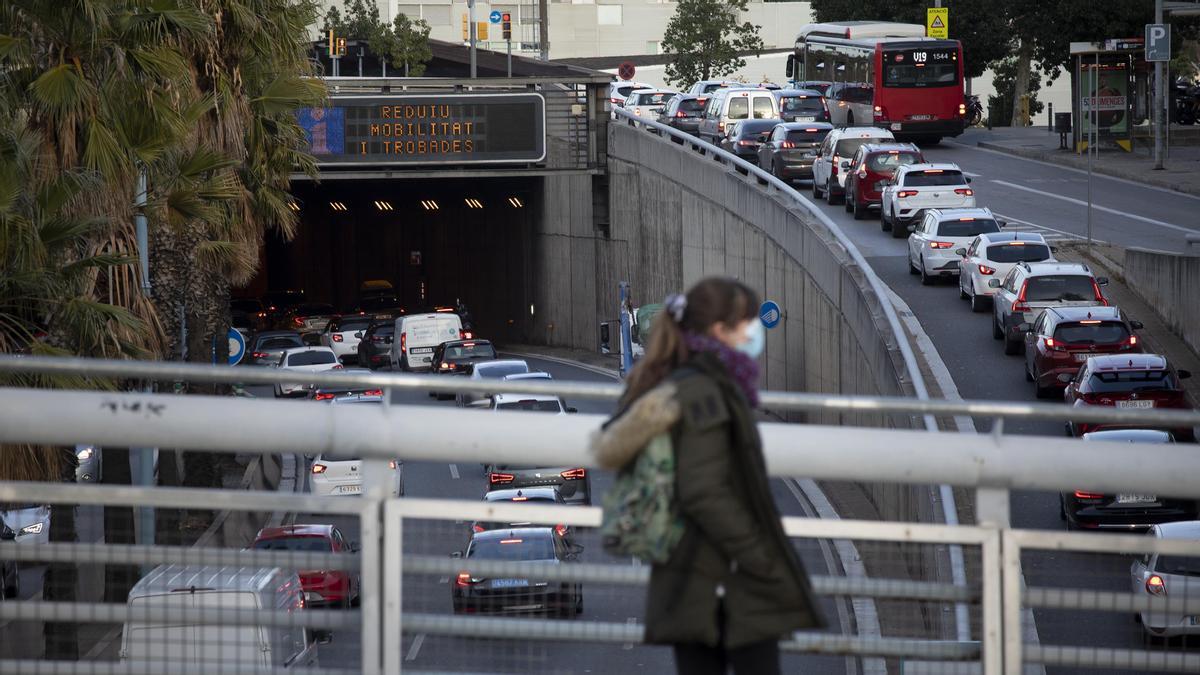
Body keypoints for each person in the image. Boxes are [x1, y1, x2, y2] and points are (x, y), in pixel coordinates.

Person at [592, 276, 823, 675]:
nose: (756, 332)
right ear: (720, 330)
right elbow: (703, 489)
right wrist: (759, 556)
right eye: (748, 323)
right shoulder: (705, 389)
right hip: (727, 578)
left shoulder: (682, 380)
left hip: (688, 579)